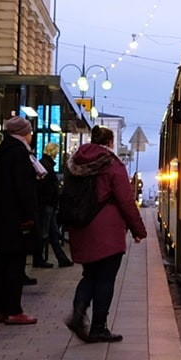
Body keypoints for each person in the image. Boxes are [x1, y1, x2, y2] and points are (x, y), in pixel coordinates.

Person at [63, 125, 147, 343]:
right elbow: (126, 201)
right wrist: (138, 230)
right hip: (107, 229)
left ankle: (78, 314)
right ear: (110, 142)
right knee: (106, 278)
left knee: (89, 275)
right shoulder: (112, 165)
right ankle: (99, 326)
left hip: (82, 226)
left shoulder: (75, 162)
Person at [0, 115, 39, 325]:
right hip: (16, 218)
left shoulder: (4, 152)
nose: (31, 136)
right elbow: (23, 188)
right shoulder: (20, 154)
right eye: (29, 132)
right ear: (23, 133)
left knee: (0, 266)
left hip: (1, 216)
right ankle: (14, 311)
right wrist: (28, 216)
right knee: (15, 266)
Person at [36, 154, 73, 268]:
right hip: (47, 203)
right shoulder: (47, 165)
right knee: (46, 232)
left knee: (53, 232)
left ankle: (61, 258)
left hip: (48, 203)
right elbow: (46, 186)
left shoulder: (45, 164)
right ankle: (39, 258)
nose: (57, 155)